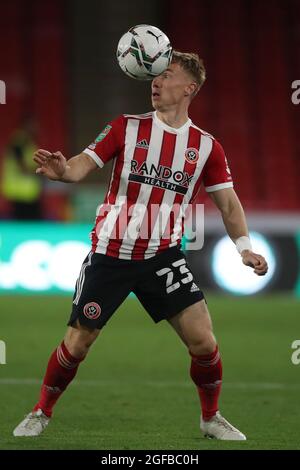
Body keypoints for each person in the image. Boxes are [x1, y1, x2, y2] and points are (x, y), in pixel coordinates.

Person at [13, 51, 268, 440]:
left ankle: (211, 418)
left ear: (189, 88)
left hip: (162, 257)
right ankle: (40, 412)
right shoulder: (125, 127)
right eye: (155, 76)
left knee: (204, 340)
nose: (156, 81)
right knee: (79, 342)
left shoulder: (205, 147)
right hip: (110, 254)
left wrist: (244, 247)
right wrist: (63, 171)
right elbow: (81, 165)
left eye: (166, 75)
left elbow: (228, 203)